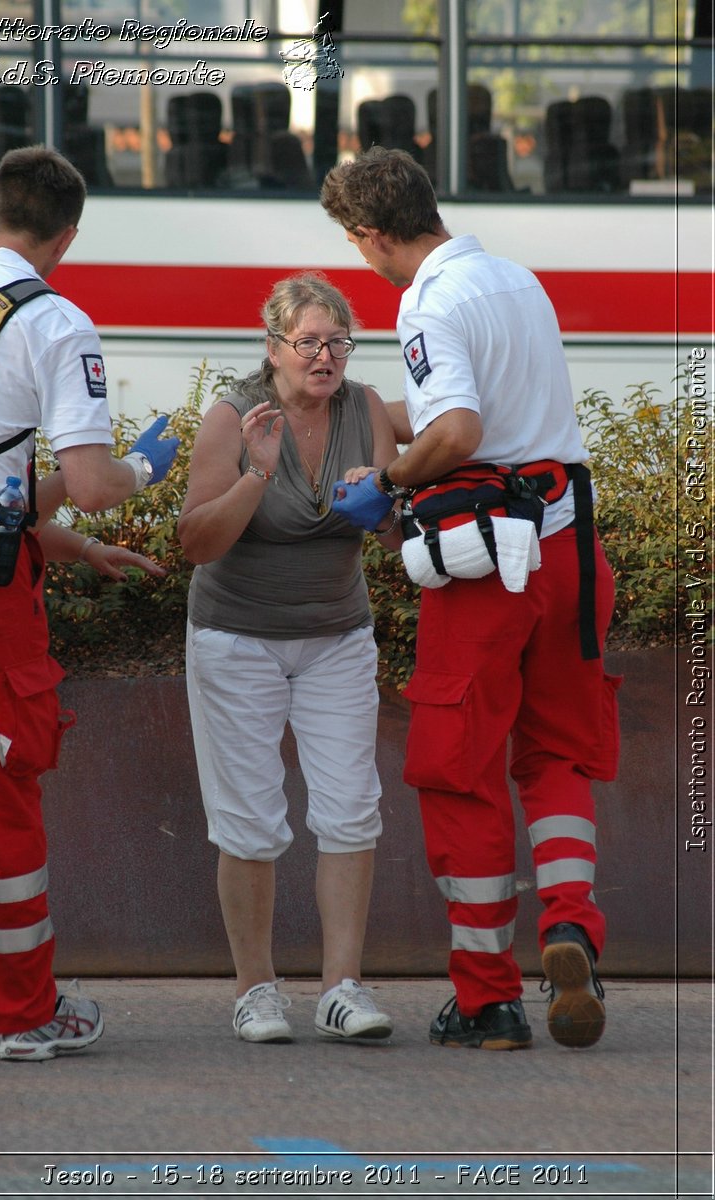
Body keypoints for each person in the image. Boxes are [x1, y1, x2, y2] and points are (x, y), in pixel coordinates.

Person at [321, 147, 619, 1051]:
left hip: (486, 560)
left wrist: (389, 476)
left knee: (459, 762)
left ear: (373, 234)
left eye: (356, 243)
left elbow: (458, 428)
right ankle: (570, 927)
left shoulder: (427, 300)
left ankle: (488, 998)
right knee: (559, 753)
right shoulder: (519, 281)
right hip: (570, 546)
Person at [0, 147, 179, 1062]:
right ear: (66, 237)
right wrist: (146, 464)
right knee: (0, 793)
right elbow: (90, 482)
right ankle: (23, 1014)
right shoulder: (54, 320)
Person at [177, 272, 401, 1044]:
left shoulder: (364, 408)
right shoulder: (235, 415)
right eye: (309, 342)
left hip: (338, 633)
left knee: (350, 808)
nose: (326, 356)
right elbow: (195, 542)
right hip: (237, 637)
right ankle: (255, 990)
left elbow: (399, 538)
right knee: (249, 820)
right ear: (273, 347)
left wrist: (383, 500)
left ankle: (343, 988)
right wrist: (259, 473)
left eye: (338, 340)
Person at [0, 498, 166, 1059]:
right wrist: (137, 473)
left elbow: (4, 518)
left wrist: (82, 547)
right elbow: (52, 494)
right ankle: (2, 1012)